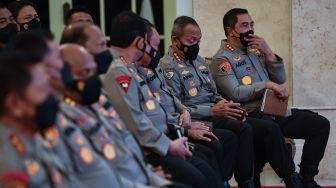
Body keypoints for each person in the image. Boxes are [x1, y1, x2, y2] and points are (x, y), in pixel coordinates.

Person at [210, 8, 330, 188]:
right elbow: (234, 93)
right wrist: (266, 85)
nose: (250, 29)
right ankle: (293, 181)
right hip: (249, 115)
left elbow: (280, 78)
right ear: (230, 31)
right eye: (244, 25)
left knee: (320, 124)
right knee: (270, 129)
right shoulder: (222, 60)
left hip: (273, 112)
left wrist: (269, 53)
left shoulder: (255, 52)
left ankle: (308, 179)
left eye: (251, 24)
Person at [103, 11, 222, 188]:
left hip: (163, 138)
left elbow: (160, 106)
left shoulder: (127, 67)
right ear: (140, 42)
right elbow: (135, 122)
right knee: (199, 176)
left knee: (205, 164)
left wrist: (180, 130)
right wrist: (170, 145)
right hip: (148, 150)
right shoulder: (119, 71)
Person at [8, 30, 123, 188]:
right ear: (15, 103)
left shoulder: (38, 133)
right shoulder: (11, 157)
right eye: (43, 90)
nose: (60, 66)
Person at [137, 18, 239, 186]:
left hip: (183, 123)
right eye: (192, 41)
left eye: (198, 41)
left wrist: (225, 104)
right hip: (177, 129)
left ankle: (234, 180)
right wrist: (185, 127)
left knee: (240, 130)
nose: (157, 51)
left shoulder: (198, 62)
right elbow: (148, 116)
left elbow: (171, 97)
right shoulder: (164, 67)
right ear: (176, 41)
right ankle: (223, 181)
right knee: (215, 146)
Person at [0, 50, 70, 187]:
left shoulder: (33, 135)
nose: (52, 96)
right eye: (43, 90)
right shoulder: (9, 163)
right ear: (14, 104)